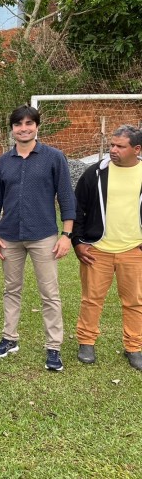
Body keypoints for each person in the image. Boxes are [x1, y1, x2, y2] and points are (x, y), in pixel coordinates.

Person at [0, 104, 76, 371]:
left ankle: (54, 347)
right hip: (9, 237)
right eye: (18, 124)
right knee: (11, 290)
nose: (23, 128)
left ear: (37, 126)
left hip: (43, 236)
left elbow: (66, 197)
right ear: (12, 129)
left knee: (49, 293)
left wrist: (66, 234)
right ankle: (9, 339)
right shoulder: (3, 162)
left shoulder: (54, 157)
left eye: (28, 123)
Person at [72, 125, 142, 371]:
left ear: (136, 149)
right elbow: (76, 209)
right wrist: (78, 242)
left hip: (133, 251)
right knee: (91, 299)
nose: (113, 150)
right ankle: (86, 342)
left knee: (134, 301)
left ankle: (134, 347)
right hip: (97, 249)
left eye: (120, 146)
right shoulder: (95, 173)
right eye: (112, 145)